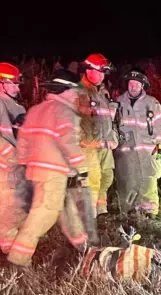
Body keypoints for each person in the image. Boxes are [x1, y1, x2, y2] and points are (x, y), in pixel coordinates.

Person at [5, 70, 90, 267]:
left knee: (68, 208)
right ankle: (18, 260)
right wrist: (82, 169)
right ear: (65, 91)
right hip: (55, 173)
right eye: (75, 90)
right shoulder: (65, 112)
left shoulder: (36, 110)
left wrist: (26, 166)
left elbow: (23, 141)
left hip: (36, 171)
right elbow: (70, 145)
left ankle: (83, 245)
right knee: (43, 216)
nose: (77, 94)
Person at [115, 68, 161, 216]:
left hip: (147, 154)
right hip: (125, 154)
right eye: (131, 83)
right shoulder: (118, 103)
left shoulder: (152, 103)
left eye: (137, 84)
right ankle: (128, 216)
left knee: (148, 183)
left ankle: (150, 218)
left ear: (142, 86)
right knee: (127, 184)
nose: (133, 87)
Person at [79, 53, 119, 216]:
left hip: (104, 145)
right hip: (88, 147)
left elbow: (109, 119)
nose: (103, 76)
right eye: (100, 72)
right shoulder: (80, 92)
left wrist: (113, 137)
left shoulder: (102, 93)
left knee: (106, 177)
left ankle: (101, 211)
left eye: (104, 73)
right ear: (89, 71)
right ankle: (89, 215)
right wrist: (87, 142)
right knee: (91, 180)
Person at [0, 62, 28, 255]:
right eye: (14, 84)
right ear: (2, 83)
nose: (18, 88)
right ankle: (10, 251)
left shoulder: (9, 104)